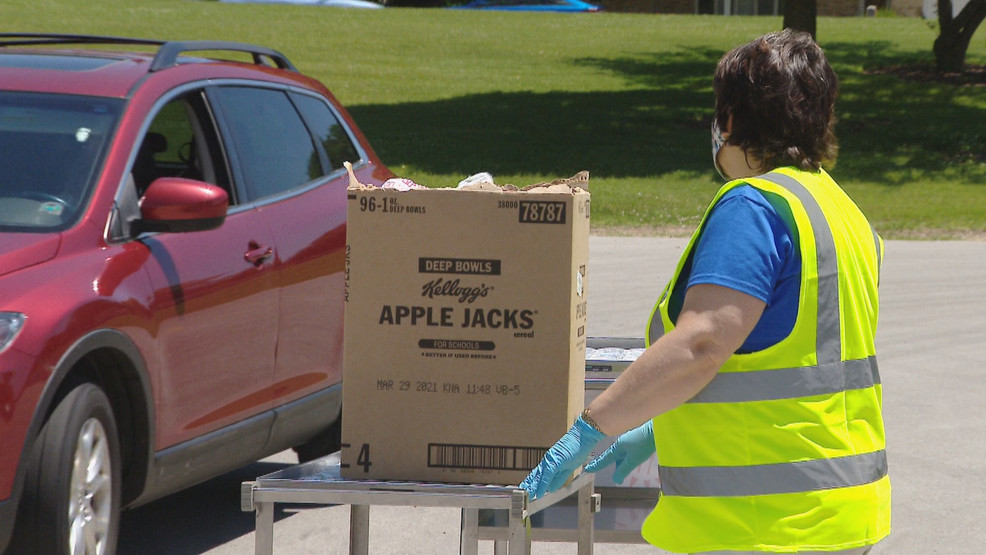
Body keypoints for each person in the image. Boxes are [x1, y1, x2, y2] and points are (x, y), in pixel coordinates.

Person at [520, 29, 890, 554]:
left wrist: (591, 431)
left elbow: (702, 343)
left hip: (762, 524)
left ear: (732, 120)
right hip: (839, 510)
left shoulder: (755, 206)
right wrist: (658, 426)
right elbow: (787, 355)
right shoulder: (842, 212)